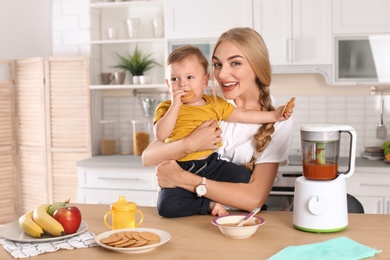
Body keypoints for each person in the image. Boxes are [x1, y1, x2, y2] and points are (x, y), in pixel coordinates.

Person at [142, 27, 294, 218]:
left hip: (235, 221)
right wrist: (190, 144)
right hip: (190, 220)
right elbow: (148, 157)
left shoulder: (277, 117)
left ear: (257, 66)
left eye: (235, 63)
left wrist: (181, 178)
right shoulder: (207, 102)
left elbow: (253, 199)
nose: (221, 75)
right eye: (217, 65)